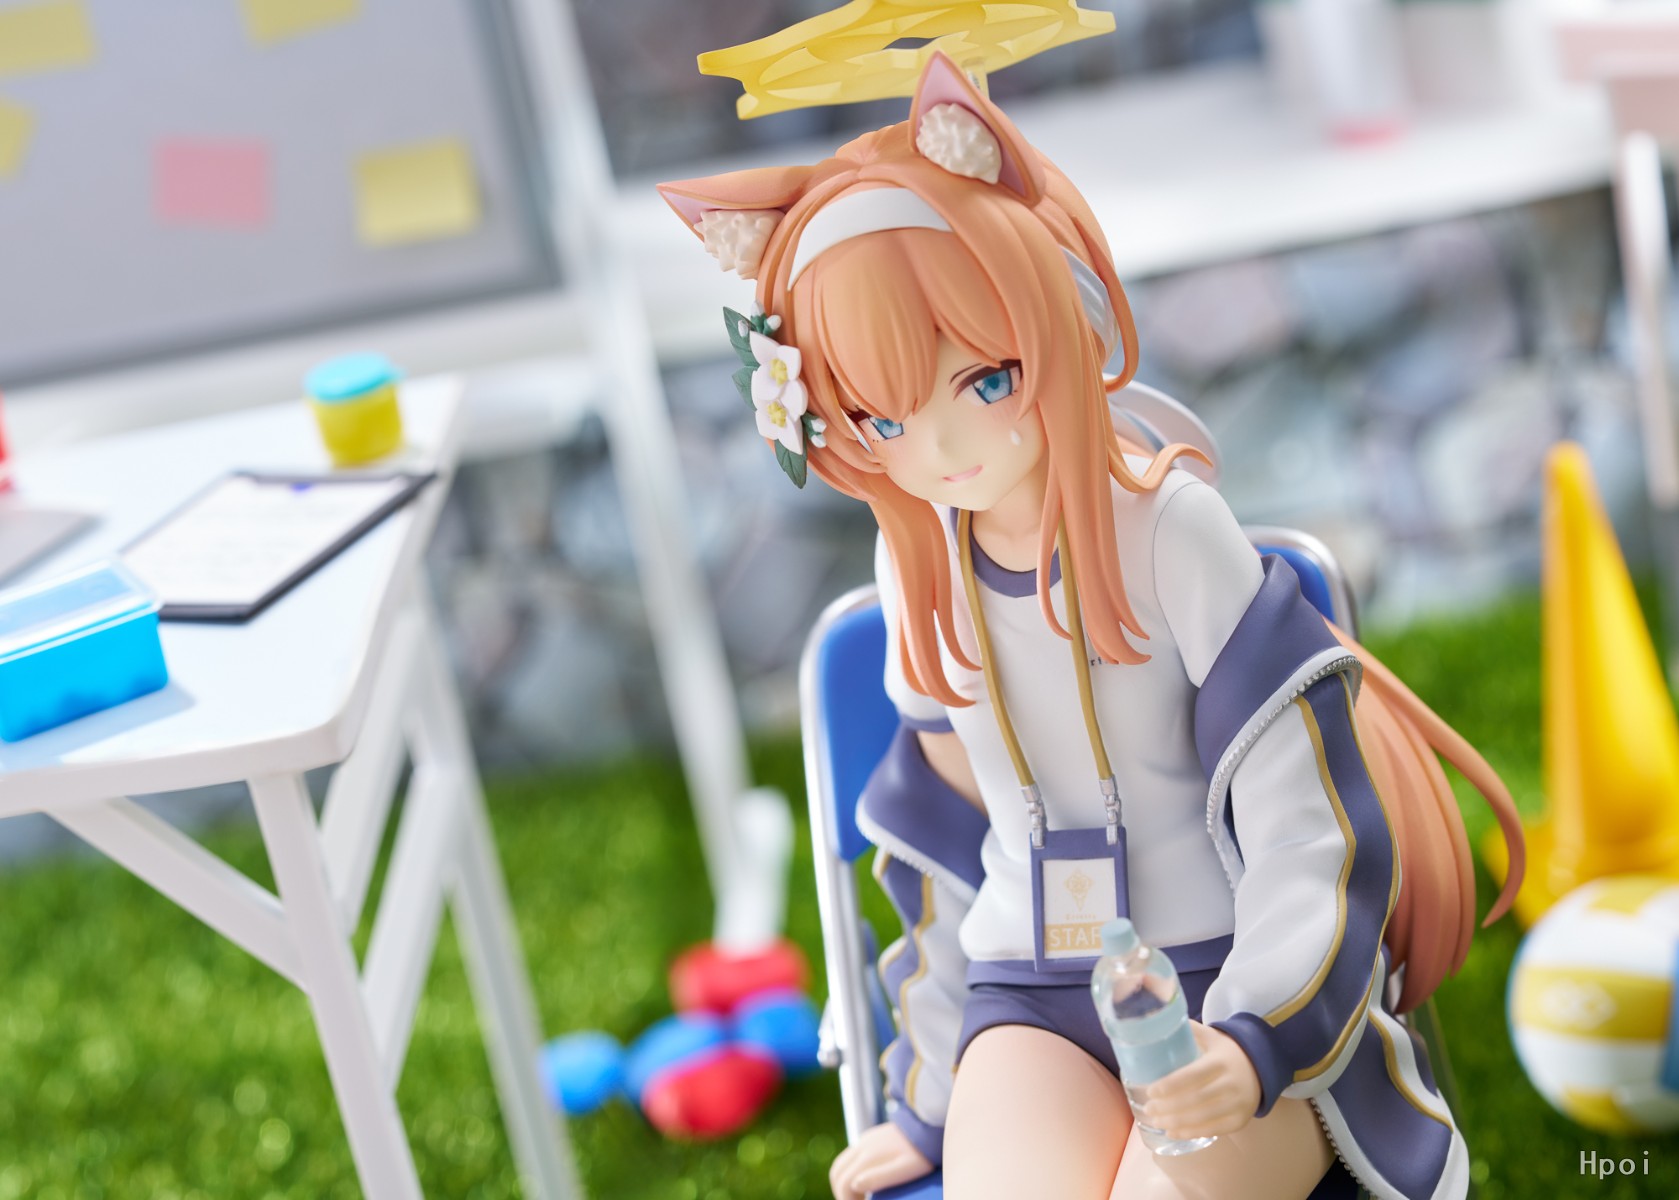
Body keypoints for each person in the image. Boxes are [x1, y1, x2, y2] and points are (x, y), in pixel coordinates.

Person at [659, 52, 1524, 1200]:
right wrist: (929, 1096)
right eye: (879, 416)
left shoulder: (1170, 533)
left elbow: (1302, 827)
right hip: (1030, 987)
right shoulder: (918, 562)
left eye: (982, 381)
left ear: (1052, 321)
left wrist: (1253, 1042)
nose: (941, 446)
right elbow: (942, 850)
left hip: (1225, 977)